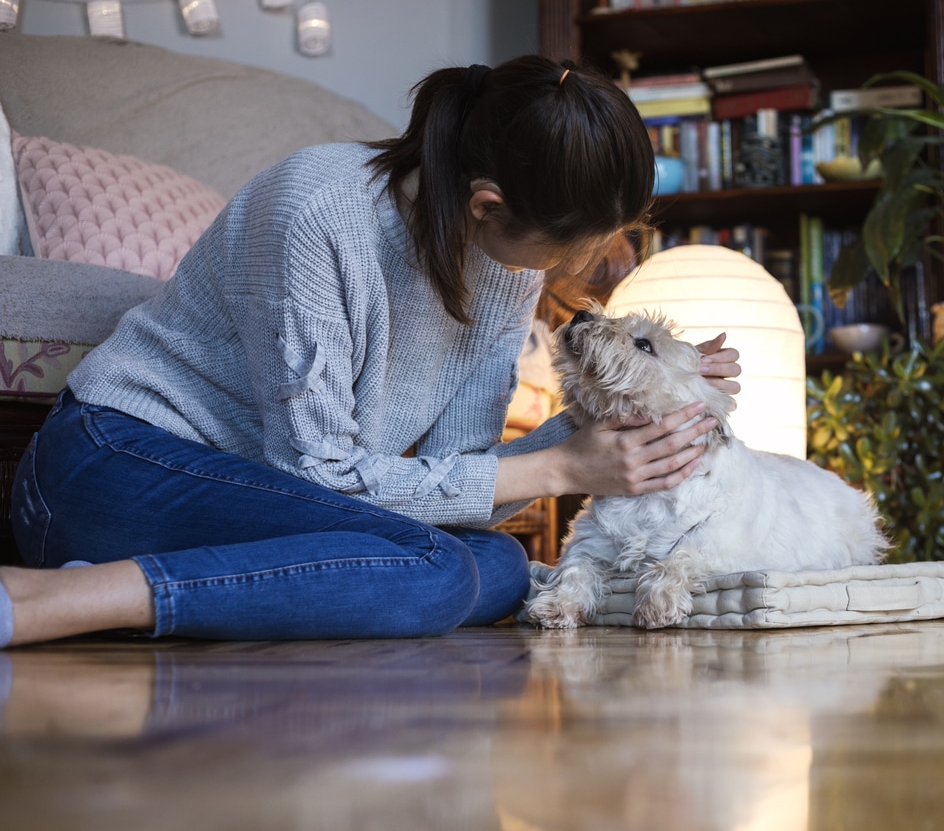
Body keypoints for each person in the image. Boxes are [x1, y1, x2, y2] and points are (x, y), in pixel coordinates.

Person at [0, 56, 741, 648]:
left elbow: (462, 487)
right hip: (112, 466)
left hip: (280, 504)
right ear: (489, 203)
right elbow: (319, 475)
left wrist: (639, 407)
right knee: (442, 572)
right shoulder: (317, 214)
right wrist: (563, 466)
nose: (562, 273)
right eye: (561, 249)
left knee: (491, 565)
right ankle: (52, 598)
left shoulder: (506, 263)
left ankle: (150, 590)